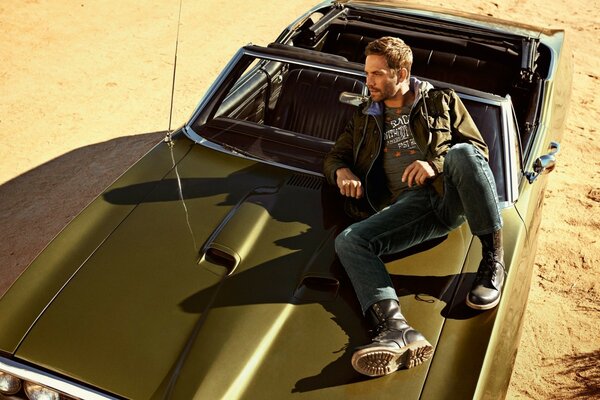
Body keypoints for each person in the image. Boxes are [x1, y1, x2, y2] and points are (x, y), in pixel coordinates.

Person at [323, 37, 505, 377]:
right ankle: (395, 329)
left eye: (377, 74)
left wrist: (434, 164)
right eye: (367, 73)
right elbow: (336, 155)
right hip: (406, 208)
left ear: (401, 72)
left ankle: (493, 261)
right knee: (349, 240)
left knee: (462, 153)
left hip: (447, 194)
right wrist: (341, 171)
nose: (369, 81)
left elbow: (478, 152)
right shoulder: (364, 116)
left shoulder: (442, 101)